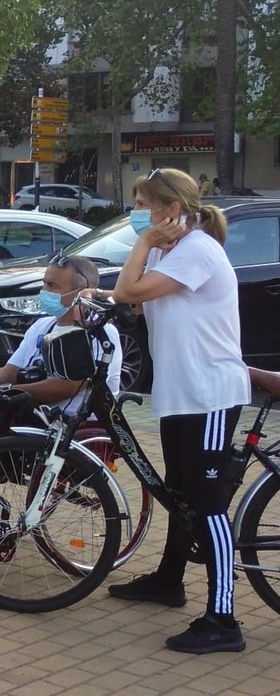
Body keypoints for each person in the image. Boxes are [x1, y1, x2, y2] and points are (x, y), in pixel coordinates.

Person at [87, 168, 249, 654]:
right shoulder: (168, 251)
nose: (137, 216)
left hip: (210, 393)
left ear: (170, 210)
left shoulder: (198, 249)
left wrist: (139, 253)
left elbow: (129, 291)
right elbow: (133, 304)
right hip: (181, 393)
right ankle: (169, 580)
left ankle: (224, 620)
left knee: (208, 503)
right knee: (180, 493)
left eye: (142, 206)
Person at [0, 254, 122, 448]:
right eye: (44, 283)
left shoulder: (100, 332)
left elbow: (69, 386)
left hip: (73, 420)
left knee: (7, 402)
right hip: (38, 414)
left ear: (80, 291)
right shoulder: (42, 325)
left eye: (52, 286)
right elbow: (10, 370)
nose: (44, 291)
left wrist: (8, 392)